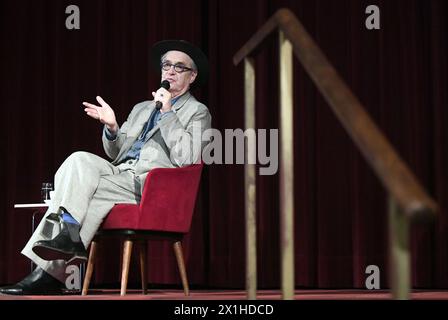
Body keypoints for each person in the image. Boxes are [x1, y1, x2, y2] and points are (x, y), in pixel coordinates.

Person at [0, 40, 211, 295]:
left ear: (192, 76)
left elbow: (187, 157)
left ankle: (49, 272)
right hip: (118, 174)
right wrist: (111, 128)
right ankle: (57, 256)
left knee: (86, 193)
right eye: (167, 65)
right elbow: (116, 153)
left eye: (179, 67)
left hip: (148, 186)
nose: (171, 71)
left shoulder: (197, 112)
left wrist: (167, 113)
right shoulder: (142, 108)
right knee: (78, 159)